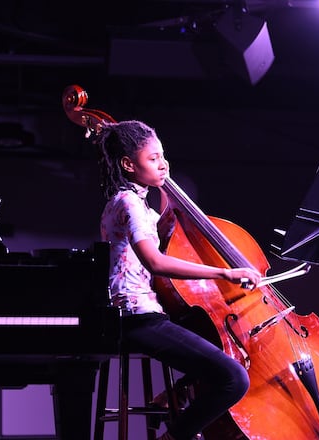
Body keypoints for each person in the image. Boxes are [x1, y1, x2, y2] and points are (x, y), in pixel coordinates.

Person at [93, 119, 261, 440]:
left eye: (163, 156)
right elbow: (156, 262)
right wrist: (225, 272)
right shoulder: (128, 204)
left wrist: (166, 189)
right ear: (129, 164)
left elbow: (169, 227)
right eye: (153, 158)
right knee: (234, 379)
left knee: (229, 347)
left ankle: (174, 395)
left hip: (146, 317)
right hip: (133, 320)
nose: (163, 164)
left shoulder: (137, 205)